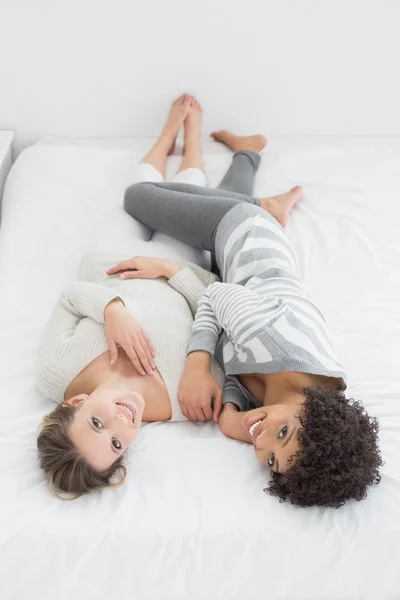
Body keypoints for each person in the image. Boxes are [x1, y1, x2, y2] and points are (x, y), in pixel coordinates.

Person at [123, 128, 382, 508]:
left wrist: (233, 415)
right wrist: (196, 367)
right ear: (314, 413)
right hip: (244, 231)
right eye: (280, 433)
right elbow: (215, 296)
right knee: (138, 196)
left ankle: (248, 154)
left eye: (272, 461)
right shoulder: (271, 337)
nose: (261, 444)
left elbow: (242, 372)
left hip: (245, 272)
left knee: (207, 204)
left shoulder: (314, 406)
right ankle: (265, 206)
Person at [36, 94, 226, 496]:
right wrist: (171, 271)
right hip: (176, 266)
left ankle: (166, 136)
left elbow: (70, 296)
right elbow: (214, 306)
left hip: (109, 259)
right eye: (117, 444)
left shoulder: (56, 372)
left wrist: (113, 310)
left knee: (137, 192)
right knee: (184, 195)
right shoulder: (184, 403)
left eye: (97, 423)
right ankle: (192, 140)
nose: (122, 424)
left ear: (75, 404)